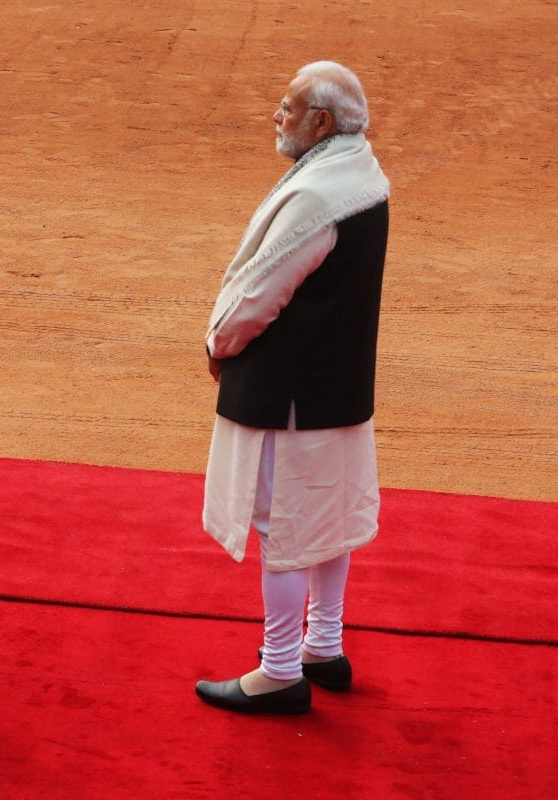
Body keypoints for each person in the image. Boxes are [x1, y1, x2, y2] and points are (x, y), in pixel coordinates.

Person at [194, 62, 390, 714]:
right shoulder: (363, 176)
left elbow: (259, 293)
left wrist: (218, 342)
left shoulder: (317, 197)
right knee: (327, 523)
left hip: (291, 398)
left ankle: (279, 669)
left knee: (285, 530)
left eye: (289, 106)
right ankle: (323, 644)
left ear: (323, 122)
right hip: (340, 390)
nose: (277, 115)